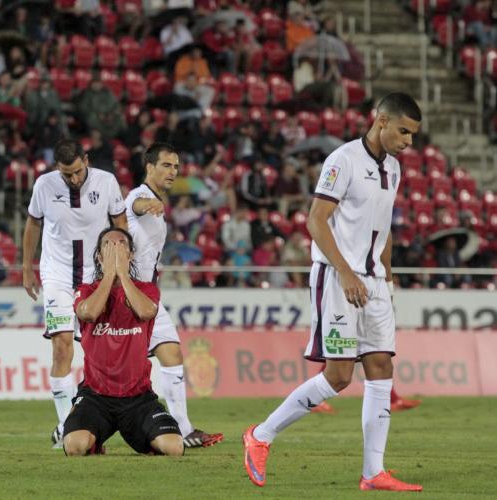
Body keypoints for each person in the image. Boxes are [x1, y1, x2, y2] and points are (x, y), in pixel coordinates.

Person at [242, 93, 424, 492]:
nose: (409, 142)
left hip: (374, 283)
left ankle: (373, 472)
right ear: (381, 121)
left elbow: (383, 228)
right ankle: (260, 435)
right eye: (403, 132)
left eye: (412, 135)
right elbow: (316, 220)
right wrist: (345, 272)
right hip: (339, 278)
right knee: (339, 376)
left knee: (381, 368)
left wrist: (388, 281)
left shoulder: (393, 168)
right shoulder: (343, 160)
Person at [22, 139, 127, 448]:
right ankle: (66, 425)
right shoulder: (44, 185)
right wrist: (26, 267)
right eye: (67, 174)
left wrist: (120, 264)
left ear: (86, 160)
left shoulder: (106, 182)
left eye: (78, 172)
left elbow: (120, 222)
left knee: (99, 352)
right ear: (58, 168)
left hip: (95, 278)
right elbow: (33, 223)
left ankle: (96, 419)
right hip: (56, 276)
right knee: (61, 347)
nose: (74, 179)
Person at [125, 142, 224, 448]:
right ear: (149, 167)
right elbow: (135, 205)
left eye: (176, 167)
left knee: (172, 353)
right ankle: (81, 420)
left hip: (148, 295)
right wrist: (148, 205)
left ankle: (183, 428)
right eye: (166, 165)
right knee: (117, 369)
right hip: (127, 295)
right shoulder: (139, 196)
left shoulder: (157, 202)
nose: (173, 171)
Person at [63, 227, 184, 456]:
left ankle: (144, 438)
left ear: (131, 255)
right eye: (108, 246)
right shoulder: (86, 290)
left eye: (121, 245)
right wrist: (110, 275)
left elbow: (146, 311)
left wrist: (123, 275)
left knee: (174, 448)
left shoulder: (147, 289)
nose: (115, 250)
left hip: (139, 398)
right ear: (99, 257)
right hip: (95, 397)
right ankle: (93, 441)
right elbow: (88, 313)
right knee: (74, 446)